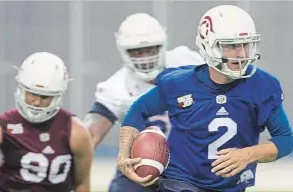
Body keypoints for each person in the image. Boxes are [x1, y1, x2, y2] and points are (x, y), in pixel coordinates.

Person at [117, 5, 293, 192]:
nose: (241, 53)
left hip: (231, 186)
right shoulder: (179, 83)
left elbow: (285, 139)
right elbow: (138, 110)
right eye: (231, 45)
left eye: (246, 44)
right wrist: (123, 155)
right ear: (207, 46)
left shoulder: (263, 85)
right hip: (181, 182)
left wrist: (249, 154)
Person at [83, 13, 204, 192]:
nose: (145, 57)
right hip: (139, 163)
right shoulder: (116, 87)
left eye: (151, 49)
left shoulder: (188, 62)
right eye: (137, 51)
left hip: (186, 164)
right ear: (124, 51)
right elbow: (90, 136)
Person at [0, 52, 94, 192]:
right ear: (21, 90)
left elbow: (81, 184)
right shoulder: (0, 127)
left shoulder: (77, 133)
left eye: (45, 96)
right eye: (32, 93)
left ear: (57, 96)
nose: (37, 102)